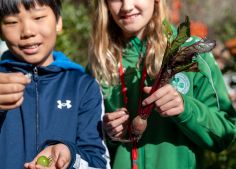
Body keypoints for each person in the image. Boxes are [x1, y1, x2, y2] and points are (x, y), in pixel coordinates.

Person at [0, 0, 110, 169]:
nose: (27, 31)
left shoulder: (83, 87)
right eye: (12, 22)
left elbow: (98, 163)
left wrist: (69, 157)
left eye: (39, 17)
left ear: (58, 22)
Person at [88, 0, 236, 169]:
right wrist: (108, 135)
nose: (127, 6)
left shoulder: (190, 52)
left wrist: (186, 109)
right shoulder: (98, 63)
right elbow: (88, 144)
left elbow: (225, 134)